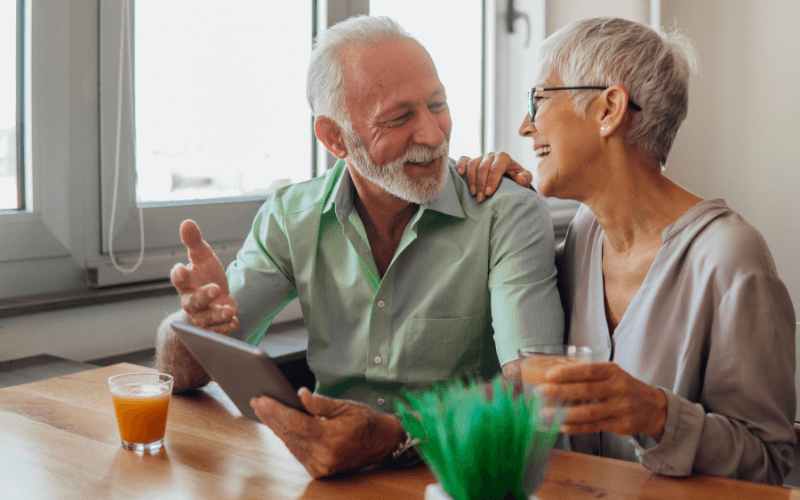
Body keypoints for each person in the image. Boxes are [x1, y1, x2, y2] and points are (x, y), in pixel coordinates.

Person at [154, 15, 563, 478]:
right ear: (335, 138)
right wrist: (194, 324)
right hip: (332, 475)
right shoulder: (291, 218)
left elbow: (534, 391)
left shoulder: (505, 213)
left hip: (461, 475)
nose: (433, 134)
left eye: (438, 104)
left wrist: (394, 438)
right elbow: (186, 374)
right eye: (399, 117)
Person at [457, 17, 796, 484]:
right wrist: (496, 197)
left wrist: (659, 415)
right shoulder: (583, 234)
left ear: (609, 109)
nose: (523, 125)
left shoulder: (731, 258)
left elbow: (772, 464)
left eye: (538, 99)